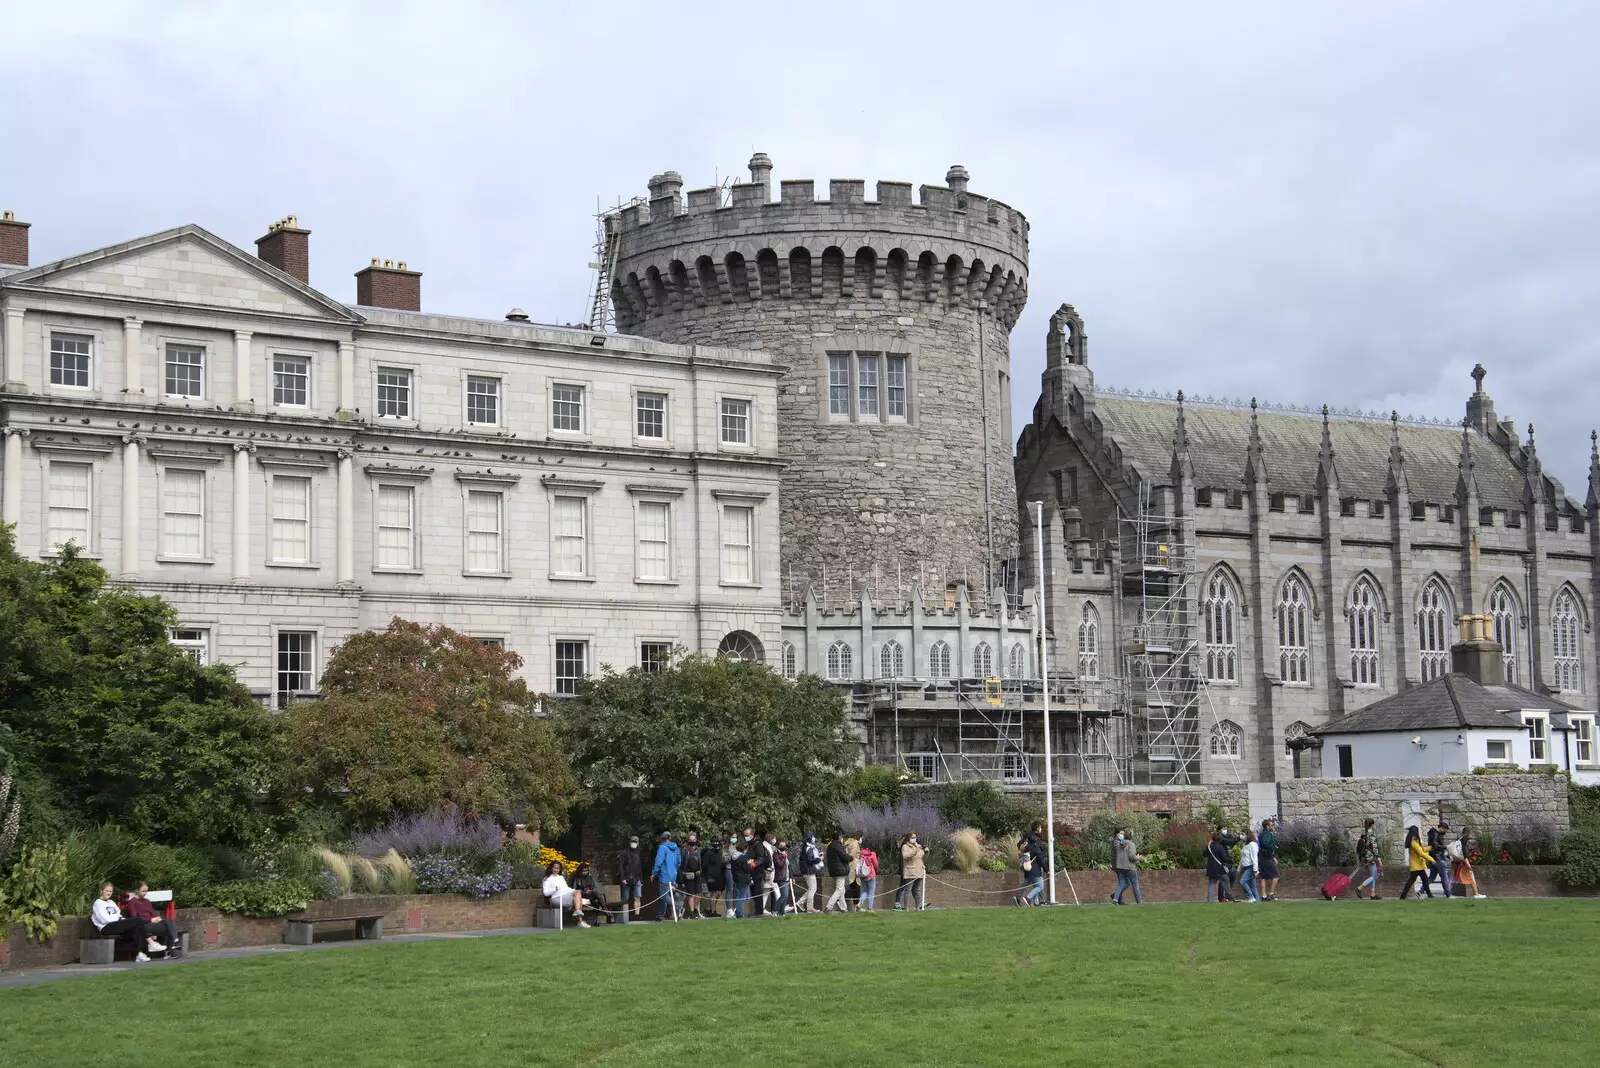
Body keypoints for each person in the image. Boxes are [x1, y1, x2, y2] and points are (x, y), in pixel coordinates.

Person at [91, 883, 162, 961]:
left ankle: (138, 954)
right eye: (107, 891)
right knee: (138, 920)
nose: (109, 893)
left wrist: (118, 918)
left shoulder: (111, 902)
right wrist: (116, 918)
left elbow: (118, 914)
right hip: (106, 927)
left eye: (111, 891)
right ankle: (151, 943)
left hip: (115, 924)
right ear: (102, 891)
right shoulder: (98, 903)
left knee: (136, 928)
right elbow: (104, 919)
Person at [126, 882, 181, 956]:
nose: (145, 893)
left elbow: (152, 913)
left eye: (146, 891)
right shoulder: (132, 902)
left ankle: (175, 941)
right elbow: (134, 918)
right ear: (137, 890)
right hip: (144, 924)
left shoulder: (147, 901)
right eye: (143, 891)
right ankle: (169, 949)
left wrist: (156, 918)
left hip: (153, 922)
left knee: (169, 920)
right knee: (168, 927)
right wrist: (150, 920)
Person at [541, 862, 591, 928]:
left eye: (558, 868)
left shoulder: (561, 877)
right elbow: (546, 893)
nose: (556, 870)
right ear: (551, 868)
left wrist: (572, 890)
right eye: (554, 868)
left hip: (565, 895)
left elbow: (566, 888)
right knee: (578, 901)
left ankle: (578, 915)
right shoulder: (547, 879)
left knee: (578, 892)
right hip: (557, 898)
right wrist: (555, 889)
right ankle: (580, 921)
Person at [652, 831, 682, 921]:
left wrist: (654, 873)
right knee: (665, 897)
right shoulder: (676, 848)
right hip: (673, 875)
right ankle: (660, 916)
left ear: (662, 839)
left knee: (663, 897)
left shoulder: (662, 848)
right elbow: (679, 862)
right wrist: (673, 870)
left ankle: (678, 906)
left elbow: (659, 861)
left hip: (665, 875)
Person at [1399, 826, 1435, 899]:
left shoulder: (1414, 842)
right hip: (1416, 866)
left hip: (1418, 865)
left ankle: (1430, 895)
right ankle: (1402, 896)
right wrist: (1431, 859)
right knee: (1412, 881)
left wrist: (1431, 847)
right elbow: (1421, 852)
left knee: (1424, 880)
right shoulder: (1413, 843)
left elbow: (1421, 849)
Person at [1014, 827, 1046, 906]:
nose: (1041, 829)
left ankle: (1036, 901)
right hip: (1034, 866)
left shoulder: (1027, 837)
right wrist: (1046, 868)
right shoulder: (1035, 840)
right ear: (1037, 827)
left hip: (1026, 864)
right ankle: (1032, 899)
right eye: (1040, 827)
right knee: (1039, 885)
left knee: (1030, 882)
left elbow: (1019, 845)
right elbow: (1039, 855)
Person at [1450, 826, 1485, 898]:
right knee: (1471, 877)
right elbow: (1464, 854)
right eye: (1469, 834)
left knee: (1454, 878)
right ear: (1467, 833)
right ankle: (1476, 894)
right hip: (1462, 863)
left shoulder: (1458, 840)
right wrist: (1468, 865)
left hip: (1455, 862)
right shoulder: (1463, 842)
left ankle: (1449, 893)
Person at [1352, 819, 1383, 900]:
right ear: (1371, 825)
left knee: (1373, 875)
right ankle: (1359, 888)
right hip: (1371, 858)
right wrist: (1379, 860)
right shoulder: (1371, 835)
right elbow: (1375, 848)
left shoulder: (1365, 835)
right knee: (1375, 876)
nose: (1375, 826)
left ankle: (1373, 894)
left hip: (1366, 858)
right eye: (1374, 824)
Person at [897, 831, 928, 911]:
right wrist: (915, 850)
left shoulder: (918, 846)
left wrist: (926, 852)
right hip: (910, 871)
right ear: (908, 838)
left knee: (917, 890)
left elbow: (922, 858)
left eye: (915, 837)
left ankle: (918, 907)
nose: (914, 839)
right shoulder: (905, 846)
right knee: (908, 890)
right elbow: (906, 856)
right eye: (912, 837)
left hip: (919, 870)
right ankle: (907, 908)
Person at [1111, 828, 1142, 905]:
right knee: (1135, 884)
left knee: (1121, 883)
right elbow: (1132, 857)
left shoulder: (1119, 844)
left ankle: (1115, 899)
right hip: (1129, 867)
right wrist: (1137, 857)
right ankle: (1139, 902)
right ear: (1131, 836)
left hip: (1121, 867)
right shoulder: (1131, 844)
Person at [824, 831, 853, 913]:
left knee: (842, 890)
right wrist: (851, 857)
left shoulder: (830, 846)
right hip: (840, 870)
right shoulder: (838, 846)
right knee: (839, 890)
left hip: (833, 870)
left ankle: (844, 908)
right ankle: (828, 907)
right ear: (839, 837)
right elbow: (845, 857)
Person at [679, 832, 705, 919]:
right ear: (688, 840)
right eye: (690, 840)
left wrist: (700, 871)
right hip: (688, 875)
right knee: (691, 894)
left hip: (697, 874)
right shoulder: (684, 851)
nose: (692, 841)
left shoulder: (698, 850)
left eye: (694, 840)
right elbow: (681, 864)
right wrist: (684, 873)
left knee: (699, 893)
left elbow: (701, 862)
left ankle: (696, 909)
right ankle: (692, 912)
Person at [617, 835, 644, 920]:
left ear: (638, 843)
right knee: (625, 898)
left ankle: (637, 915)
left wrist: (641, 879)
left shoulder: (638, 853)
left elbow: (639, 867)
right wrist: (623, 879)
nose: (634, 843)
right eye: (633, 841)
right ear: (630, 842)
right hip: (626, 878)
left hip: (637, 878)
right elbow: (620, 867)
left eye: (635, 842)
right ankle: (625, 916)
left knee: (637, 897)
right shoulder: (623, 853)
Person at [1426, 819, 1453, 898]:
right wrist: (1446, 847)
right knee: (1444, 876)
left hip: (1433, 857)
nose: (1445, 832)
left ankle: (1420, 892)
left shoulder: (1433, 833)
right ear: (1441, 828)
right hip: (1438, 858)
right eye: (1445, 830)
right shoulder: (1436, 834)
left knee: (1431, 877)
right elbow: (1435, 845)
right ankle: (1448, 894)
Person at [798, 833, 824, 913]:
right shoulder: (809, 848)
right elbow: (810, 860)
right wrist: (819, 859)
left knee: (812, 889)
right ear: (809, 839)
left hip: (807, 871)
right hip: (809, 871)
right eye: (812, 836)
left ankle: (801, 902)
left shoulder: (806, 847)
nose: (813, 838)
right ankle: (809, 907)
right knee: (812, 889)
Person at [701, 837, 725, 919]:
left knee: (719, 893)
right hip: (711, 876)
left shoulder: (719, 852)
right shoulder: (708, 853)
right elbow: (704, 865)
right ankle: (712, 911)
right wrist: (707, 876)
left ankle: (710, 908)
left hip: (720, 875)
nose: (716, 845)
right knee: (714, 893)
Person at [1258, 818, 1281, 901]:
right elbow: (1265, 843)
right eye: (1272, 825)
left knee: (1263, 877)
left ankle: (1263, 896)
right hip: (1267, 859)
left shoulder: (1261, 834)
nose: (1273, 826)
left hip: (1262, 858)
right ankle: (1271, 894)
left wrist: (1273, 857)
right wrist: (1272, 848)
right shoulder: (1267, 834)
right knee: (1276, 875)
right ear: (1267, 826)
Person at [725, 834, 748, 918]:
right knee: (739, 895)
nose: (734, 839)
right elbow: (747, 868)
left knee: (740, 895)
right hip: (738, 875)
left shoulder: (736, 854)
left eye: (735, 837)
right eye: (733, 837)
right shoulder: (743, 857)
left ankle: (736, 911)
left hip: (736, 874)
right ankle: (735, 912)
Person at [1237, 830, 1261, 902]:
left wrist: (1255, 870)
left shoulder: (1253, 845)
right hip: (1246, 867)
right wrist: (1239, 868)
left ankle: (1251, 897)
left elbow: (1254, 858)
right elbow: (1242, 858)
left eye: (1243, 835)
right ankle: (1257, 902)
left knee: (1243, 882)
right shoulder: (1245, 845)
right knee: (1252, 886)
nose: (1242, 836)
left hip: (1251, 867)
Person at [772, 839, 793, 915]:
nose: (783, 847)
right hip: (780, 877)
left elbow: (789, 866)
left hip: (786, 877)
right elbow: (780, 865)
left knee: (786, 896)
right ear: (778, 846)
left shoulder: (786, 853)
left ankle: (782, 912)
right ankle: (775, 910)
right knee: (784, 895)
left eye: (784, 845)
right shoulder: (776, 854)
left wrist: (792, 877)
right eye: (781, 845)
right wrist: (784, 856)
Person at [858, 843, 879, 912]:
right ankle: (870, 908)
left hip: (863, 875)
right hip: (871, 874)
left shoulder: (862, 853)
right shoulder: (872, 853)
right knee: (871, 892)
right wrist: (875, 871)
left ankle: (860, 903)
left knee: (865, 891)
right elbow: (876, 864)